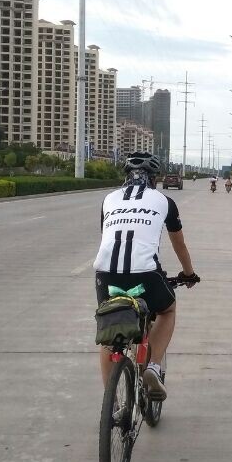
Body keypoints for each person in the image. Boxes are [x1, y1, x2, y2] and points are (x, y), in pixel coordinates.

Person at [94, 151, 200, 400]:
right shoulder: (164, 201)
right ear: (154, 178)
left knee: (110, 330)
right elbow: (179, 244)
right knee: (167, 310)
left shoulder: (109, 199)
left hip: (106, 275)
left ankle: (113, 403)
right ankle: (152, 366)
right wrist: (189, 274)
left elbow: (107, 235)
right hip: (146, 275)